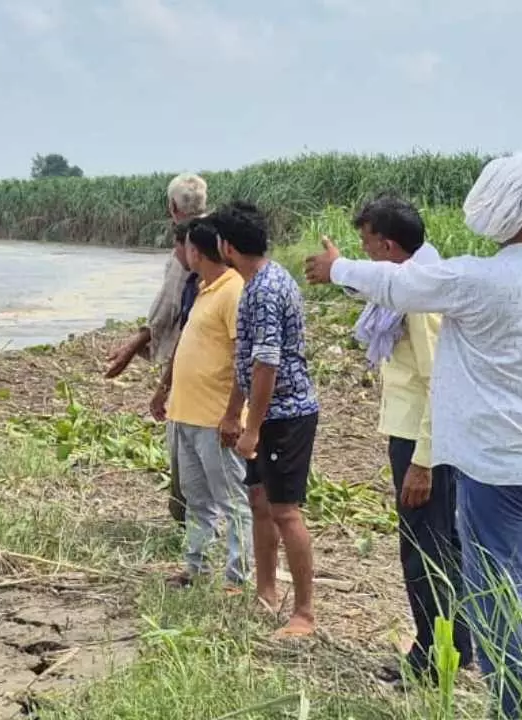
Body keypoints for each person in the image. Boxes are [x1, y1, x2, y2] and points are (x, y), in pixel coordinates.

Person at [304, 153, 522, 719]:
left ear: (514, 209)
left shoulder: (481, 279)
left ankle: (514, 710)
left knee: (498, 600)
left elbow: (400, 284)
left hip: (495, 473)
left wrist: (337, 268)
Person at [346, 195, 473, 686]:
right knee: (436, 544)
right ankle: (452, 647)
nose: (366, 252)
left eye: (368, 244)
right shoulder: (412, 285)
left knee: (427, 550)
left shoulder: (420, 302)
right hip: (416, 435)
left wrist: (423, 460)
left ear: (390, 245)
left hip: (424, 441)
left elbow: (439, 380)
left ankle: (433, 656)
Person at [211, 201, 320, 638]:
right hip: (263, 411)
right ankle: (266, 590)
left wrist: (252, 426)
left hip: (285, 414)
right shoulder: (252, 283)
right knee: (259, 501)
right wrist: (233, 412)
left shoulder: (266, 289)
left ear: (228, 246)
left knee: (284, 511)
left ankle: (305, 613)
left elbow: (267, 365)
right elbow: (247, 358)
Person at [105, 172, 209, 525]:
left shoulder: (189, 251)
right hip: (208, 361)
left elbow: (172, 310)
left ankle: (189, 526)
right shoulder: (215, 239)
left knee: (185, 444)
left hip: (194, 363)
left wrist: (140, 350)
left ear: (171, 207)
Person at [159, 218, 252, 589]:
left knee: (232, 502)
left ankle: (237, 577)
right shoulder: (203, 289)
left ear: (196, 251)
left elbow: (244, 358)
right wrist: (163, 391)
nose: (180, 253)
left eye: (184, 247)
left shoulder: (233, 291)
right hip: (185, 415)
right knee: (197, 500)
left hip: (216, 419)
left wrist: (233, 414)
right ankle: (196, 568)